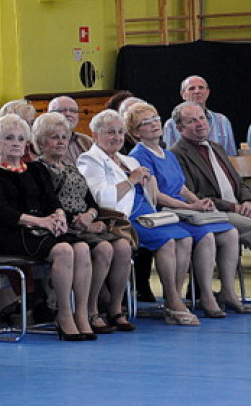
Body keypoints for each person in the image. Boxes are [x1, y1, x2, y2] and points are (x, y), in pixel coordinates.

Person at [0, 115, 103, 341]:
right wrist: (40, 221)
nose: (16, 143)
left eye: (20, 139)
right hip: (13, 232)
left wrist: (58, 217)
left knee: (83, 248)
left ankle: (82, 313)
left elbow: (51, 201)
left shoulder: (35, 169)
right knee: (64, 250)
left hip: (43, 228)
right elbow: (0, 211)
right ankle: (64, 314)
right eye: (9, 138)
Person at [77, 110, 199, 326]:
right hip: (119, 218)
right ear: (95, 135)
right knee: (167, 241)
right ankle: (172, 301)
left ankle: (174, 297)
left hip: (145, 213)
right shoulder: (89, 159)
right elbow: (102, 198)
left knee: (185, 238)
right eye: (110, 133)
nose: (116, 137)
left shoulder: (127, 160)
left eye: (120, 133)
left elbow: (152, 195)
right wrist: (132, 180)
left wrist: (148, 181)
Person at [126, 102, 244, 318]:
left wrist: (196, 202)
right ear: (135, 132)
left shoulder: (166, 154)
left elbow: (182, 187)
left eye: (155, 119)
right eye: (146, 122)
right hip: (163, 212)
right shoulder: (139, 155)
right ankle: (192, 296)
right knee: (205, 237)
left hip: (183, 209)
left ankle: (227, 291)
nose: (154, 124)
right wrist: (190, 206)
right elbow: (157, 195)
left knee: (230, 232)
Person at [32, 112, 135, 331]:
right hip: (62, 226)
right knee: (105, 248)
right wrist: (81, 222)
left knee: (123, 246)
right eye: (54, 137)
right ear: (41, 142)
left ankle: (114, 307)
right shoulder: (38, 169)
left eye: (64, 137)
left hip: (84, 223)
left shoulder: (70, 167)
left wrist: (90, 216)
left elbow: (91, 201)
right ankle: (89, 309)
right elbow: (46, 204)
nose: (61, 142)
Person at [170, 102, 251, 252]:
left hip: (240, 207)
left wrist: (247, 201)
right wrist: (234, 207)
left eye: (202, 118)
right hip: (215, 212)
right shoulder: (176, 154)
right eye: (192, 121)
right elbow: (195, 195)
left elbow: (238, 182)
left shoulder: (216, 147)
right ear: (180, 129)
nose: (200, 123)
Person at [161, 75, 237, 155]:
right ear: (183, 94)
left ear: (208, 92)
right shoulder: (171, 125)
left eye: (201, 87)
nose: (197, 91)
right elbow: (170, 158)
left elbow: (231, 156)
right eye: (191, 88)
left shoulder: (222, 121)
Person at [46, 96, 93, 164]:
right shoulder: (42, 141)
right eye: (61, 110)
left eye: (73, 111)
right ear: (48, 115)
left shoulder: (87, 141)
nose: (68, 114)